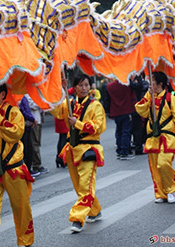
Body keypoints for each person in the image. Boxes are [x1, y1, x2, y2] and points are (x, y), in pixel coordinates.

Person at [50, 74, 106, 233]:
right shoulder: (69, 103)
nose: (84, 88)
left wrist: (78, 124)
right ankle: (94, 210)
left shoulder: (96, 105)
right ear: (74, 88)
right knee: (80, 186)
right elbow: (55, 111)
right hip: (72, 150)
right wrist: (60, 90)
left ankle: (77, 218)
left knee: (85, 185)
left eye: (87, 85)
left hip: (89, 148)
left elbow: (99, 126)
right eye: (81, 85)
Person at [0, 85, 34, 247]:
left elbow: (17, 133)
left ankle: (25, 241)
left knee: (21, 208)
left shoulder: (13, 112)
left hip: (13, 169)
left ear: (3, 94)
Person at [135, 71, 175, 203]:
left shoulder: (171, 98)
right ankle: (160, 193)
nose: (149, 84)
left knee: (163, 164)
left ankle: (171, 189)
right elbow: (141, 110)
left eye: (152, 81)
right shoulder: (149, 98)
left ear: (160, 83)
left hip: (167, 138)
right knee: (154, 168)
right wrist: (148, 95)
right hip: (152, 138)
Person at [106, 79, 137, 160]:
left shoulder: (109, 86)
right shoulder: (126, 83)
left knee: (119, 131)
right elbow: (137, 86)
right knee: (126, 131)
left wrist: (108, 112)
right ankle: (124, 151)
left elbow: (108, 100)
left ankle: (119, 150)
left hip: (116, 111)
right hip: (127, 109)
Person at [26, 95, 48, 174]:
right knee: (34, 142)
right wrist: (41, 103)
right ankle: (37, 165)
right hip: (33, 120)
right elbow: (31, 104)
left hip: (38, 119)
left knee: (37, 142)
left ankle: (36, 164)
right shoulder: (26, 92)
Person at [18, 96, 38, 177]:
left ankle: (28, 169)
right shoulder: (18, 97)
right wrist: (32, 119)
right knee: (26, 149)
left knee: (29, 148)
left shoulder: (23, 96)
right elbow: (23, 111)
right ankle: (26, 170)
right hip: (24, 125)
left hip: (28, 125)